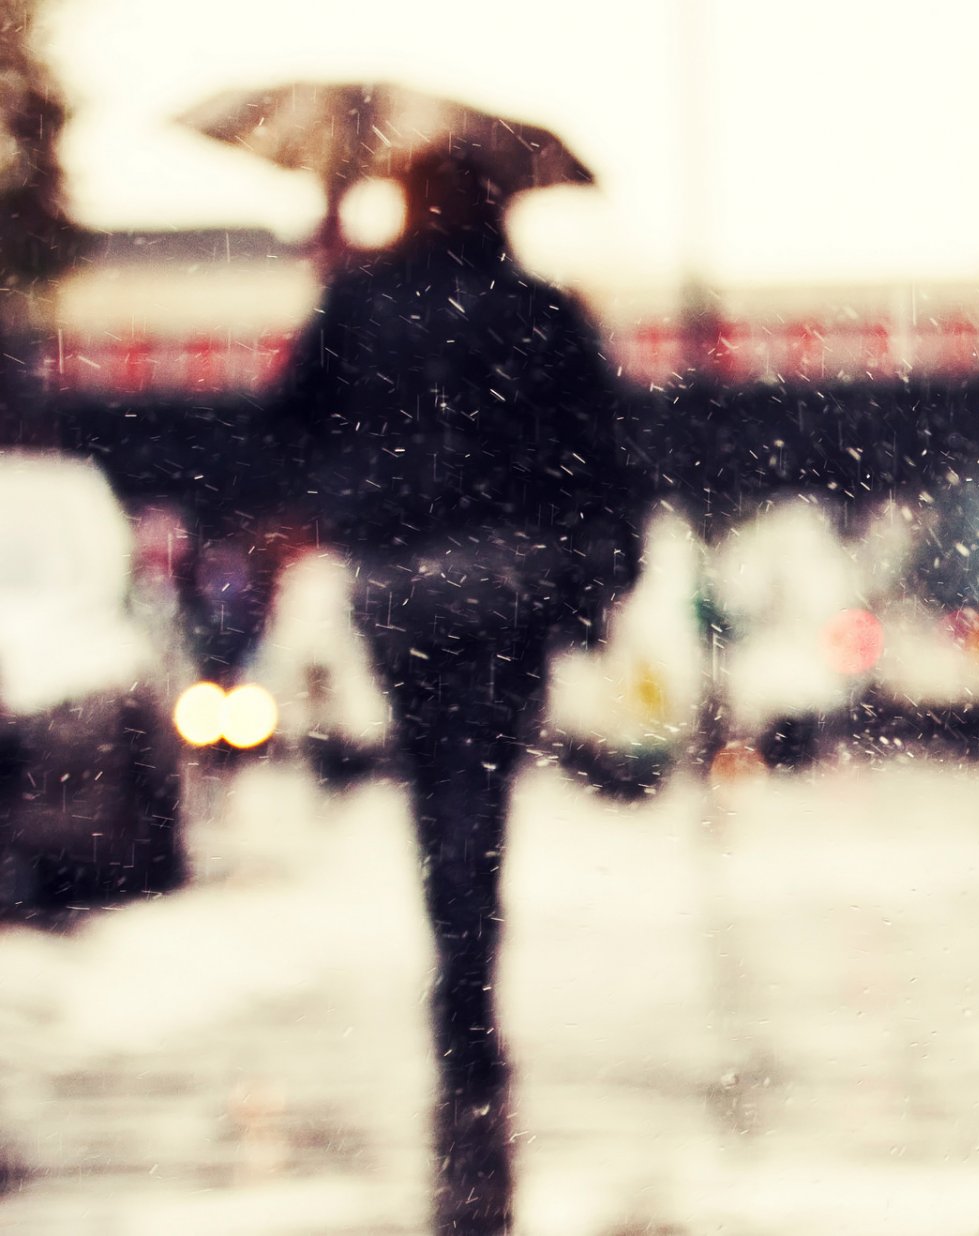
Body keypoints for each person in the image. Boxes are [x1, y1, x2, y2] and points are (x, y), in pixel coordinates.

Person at [265, 145, 637, 1235]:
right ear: (500, 202)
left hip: (398, 579)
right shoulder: (539, 308)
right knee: (486, 781)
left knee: (432, 778)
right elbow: (599, 452)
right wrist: (595, 577)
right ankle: (475, 963)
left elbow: (286, 425)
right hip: (511, 572)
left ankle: (455, 964)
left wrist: (353, 487)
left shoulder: (360, 300)